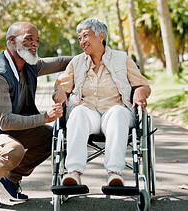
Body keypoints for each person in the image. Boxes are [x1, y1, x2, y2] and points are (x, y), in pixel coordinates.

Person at [0, 22, 72, 208]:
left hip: (4, 127)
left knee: (53, 137)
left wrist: (92, 54)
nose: (34, 44)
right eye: (28, 39)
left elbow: (61, 62)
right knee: (13, 151)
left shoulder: (29, 64)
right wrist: (44, 117)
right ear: (11, 40)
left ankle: (11, 179)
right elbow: (5, 121)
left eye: (37, 40)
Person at [53, 18, 151, 187]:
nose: (82, 41)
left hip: (115, 111)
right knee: (77, 112)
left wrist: (141, 91)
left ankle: (114, 173)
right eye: (79, 38)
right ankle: (73, 173)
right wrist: (60, 93)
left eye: (85, 36)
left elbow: (143, 84)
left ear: (101, 35)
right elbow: (61, 87)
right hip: (88, 113)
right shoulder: (76, 62)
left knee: (118, 113)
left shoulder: (122, 59)